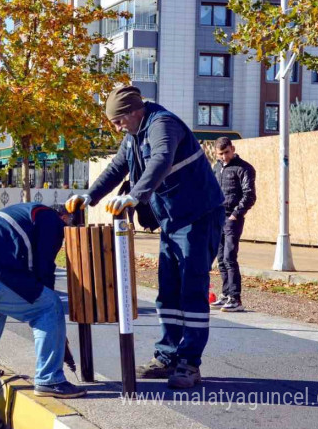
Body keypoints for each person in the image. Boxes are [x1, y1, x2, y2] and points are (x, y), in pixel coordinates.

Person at [65, 86, 224, 389]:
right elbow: (116, 168)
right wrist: (90, 196)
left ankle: (189, 363)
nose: (116, 127)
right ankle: (167, 356)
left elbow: (161, 160)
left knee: (191, 290)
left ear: (135, 111)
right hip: (173, 221)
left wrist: (135, 196)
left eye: (118, 121)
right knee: (168, 291)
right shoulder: (134, 136)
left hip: (199, 217)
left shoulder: (163, 124)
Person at [0, 202, 84, 429]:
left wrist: (55, 333)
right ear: (64, 216)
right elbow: (43, 267)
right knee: (49, 306)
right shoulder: (50, 218)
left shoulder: (26, 213)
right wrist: (51, 316)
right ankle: (50, 379)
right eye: (69, 226)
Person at [210, 137, 256, 312]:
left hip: (232, 218)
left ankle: (236, 299)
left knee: (229, 257)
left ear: (233, 148)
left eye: (227, 152)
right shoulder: (216, 168)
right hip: (217, 218)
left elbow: (249, 195)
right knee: (221, 258)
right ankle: (226, 294)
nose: (224, 157)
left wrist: (237, 214)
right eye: (220, 154)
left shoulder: (244, 168)